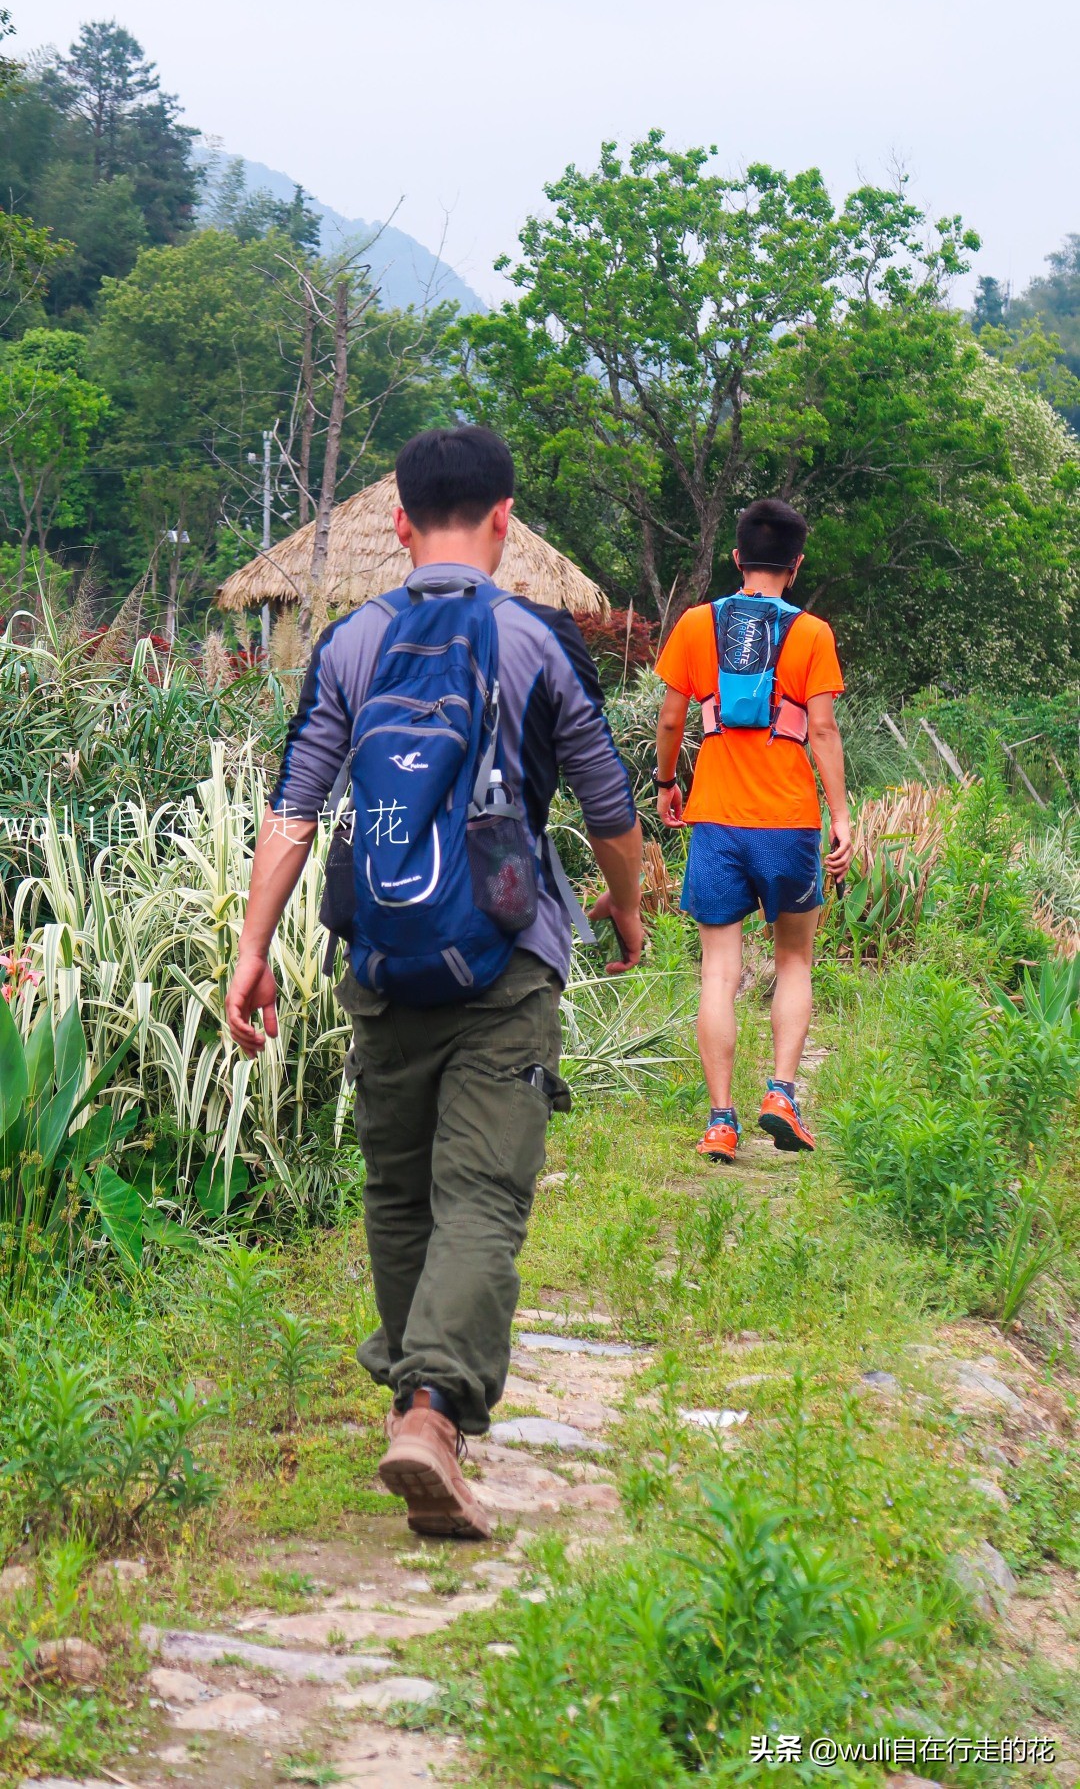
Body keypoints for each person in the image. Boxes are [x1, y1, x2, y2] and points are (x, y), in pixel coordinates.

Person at [225, 425, 643, 1541]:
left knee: (400, 1190)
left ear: (398, 523)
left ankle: (421, 1400)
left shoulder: (352, 641)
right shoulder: (537, 640)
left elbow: (293, 813)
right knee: (484, 1196)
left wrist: (252, 950)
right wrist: (627, 907)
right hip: (506, 957)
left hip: (383, 956)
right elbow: (610, 807)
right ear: (505, 519)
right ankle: (432, 1407)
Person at [653, 498, 852, 1164]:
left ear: (736, 558)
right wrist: (843, 815)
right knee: (794, 958)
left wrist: (664, 781)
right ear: (795, 565)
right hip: (788, 820)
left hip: (716, 816)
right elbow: (821, 728)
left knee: (719, 972)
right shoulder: (813, 634)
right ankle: (781, 1095)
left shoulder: (694, 625)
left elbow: (671, 720)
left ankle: (720, 1121)